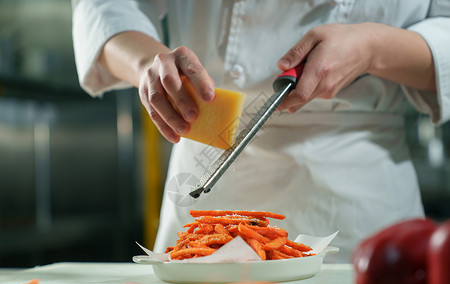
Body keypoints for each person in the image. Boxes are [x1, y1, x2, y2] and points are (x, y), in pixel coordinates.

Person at [71, 0, 450, 262]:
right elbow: (105, 7)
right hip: (204, 173)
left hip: (359, 197)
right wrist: (144, 65)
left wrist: (374, 47)